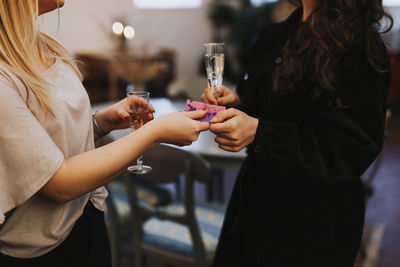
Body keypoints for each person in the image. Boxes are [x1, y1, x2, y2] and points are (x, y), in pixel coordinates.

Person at [0, 1, 209, 266]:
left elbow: (42, 140)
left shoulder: (43, 45)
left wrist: (99, 123)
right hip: (41, 251)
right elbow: (59, 183)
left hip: (88, 218)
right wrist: (156, 132)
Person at [202, 0, 392, 266]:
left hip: (314, 220)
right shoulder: (275, 35)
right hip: (256, 199)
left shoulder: (359, 47)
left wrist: (260, 133)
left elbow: (350, 149)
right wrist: (238, 104)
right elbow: (269, 107)